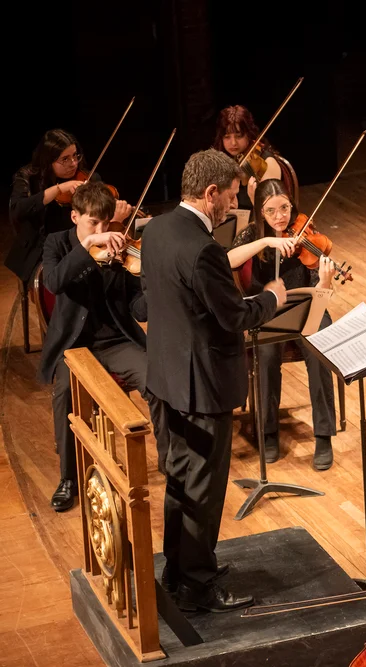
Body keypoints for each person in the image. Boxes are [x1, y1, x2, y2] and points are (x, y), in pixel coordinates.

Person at [142, 149, 287, 612]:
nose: (232, 205)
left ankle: (177, 569)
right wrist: (271, 297)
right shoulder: (203, 248)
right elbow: (232, 317)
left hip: (166, 375)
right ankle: (198, 587)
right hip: (202, 385)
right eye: (228, 196)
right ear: (209, 193)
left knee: (180, 481)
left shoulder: (160, 227)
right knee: (203, 489)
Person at [37, 182, 167, 512]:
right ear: (75, 216)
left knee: (157, 379)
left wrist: (155, 287)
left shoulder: (121, 249)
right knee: (64, 393)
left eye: (105, 224)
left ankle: (171, 461)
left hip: (117, 341)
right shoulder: (57, 244)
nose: (102, 231)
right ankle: (69, 478)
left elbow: (137, 308)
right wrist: (89, 245)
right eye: (92, 223)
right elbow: (53, 282)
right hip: (74, 347)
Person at [227, 178, 340, 469]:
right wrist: (265, 241)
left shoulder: (307, 237)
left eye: (285, 208)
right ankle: (268, 432)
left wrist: (325, 281)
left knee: (320, 349)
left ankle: (324, 434)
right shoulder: (252, 235)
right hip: (265, 311)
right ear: (260, 213)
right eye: (272, 211)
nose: (281, 217)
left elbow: (321, 298)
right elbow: (226, 261)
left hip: (305, 307)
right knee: (265, 355)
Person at [7, 129, 132, 282]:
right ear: (48, 160)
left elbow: (97, 219)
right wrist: (58, 189)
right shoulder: (28, 177)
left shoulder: (89, 178)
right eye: (65, 159)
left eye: (75, 156)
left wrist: (114, 220)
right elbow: (18, 210)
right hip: (41, 248)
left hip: (80, 242)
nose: (73, 163)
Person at [212, 105, 285, 212]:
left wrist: (254, 198)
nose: (233, 143)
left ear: (249, 134)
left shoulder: (267, 163)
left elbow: (271, 211)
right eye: (227, 137)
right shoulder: (221, 160)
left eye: (239, 136)